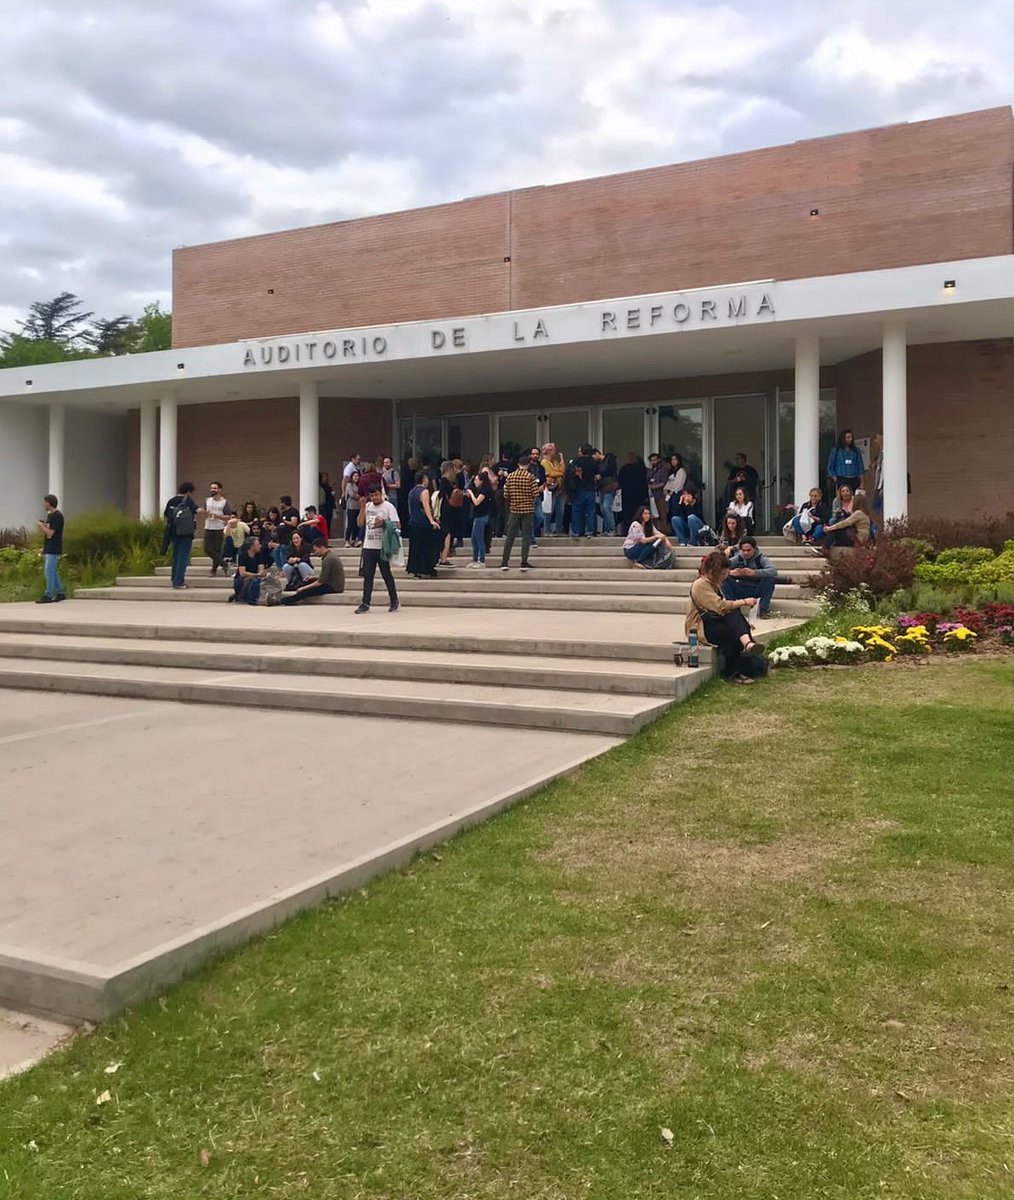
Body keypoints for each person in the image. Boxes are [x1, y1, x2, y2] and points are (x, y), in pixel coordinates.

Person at [686, 551, 766, 684]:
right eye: (722, 574)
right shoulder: (700, 585)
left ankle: (746, 651)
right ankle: (739, 662)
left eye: (725, 573)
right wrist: (744, 601)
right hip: (700, 627)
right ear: (712, 572)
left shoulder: (714, 584)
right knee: (732, 628)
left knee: (735, 623)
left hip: (713, 622)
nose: (724, 577)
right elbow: (720, 607)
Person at [355, 483, 401, 613]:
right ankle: (365, 602)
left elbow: (397, 524)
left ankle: (394, 600)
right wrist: (362, 508)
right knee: (368, 575)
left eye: (376, 494)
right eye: (372, 495)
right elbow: (359, 523)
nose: (374, 497)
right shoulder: (368, 506)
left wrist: (384, 523)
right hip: (369, 545)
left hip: (382, 546)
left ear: (381, 493)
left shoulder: (388, 506)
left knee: (386, 573)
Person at [722, 536, 778, 619]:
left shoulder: (761, 559)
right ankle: (734, 608)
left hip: (756, 589)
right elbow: (719, 568)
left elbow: (773, 571)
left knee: (770, 579)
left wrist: (754, 573)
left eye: (748, 550)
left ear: (754, 549)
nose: (746, 553)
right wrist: (730, 572)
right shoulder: (737, 559)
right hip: (740, 587)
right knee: (724, 579)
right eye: (743, 550)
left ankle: (763, 609)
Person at [500, 459, 540, 571]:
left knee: (510, 536)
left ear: (518, 464)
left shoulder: (510, 477)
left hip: (514, 509)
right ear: (527, 465)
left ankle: (504, 562)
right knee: (526, 537)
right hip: (527, 509)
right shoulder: (530, 477)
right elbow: (535, 494)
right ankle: (523, 562)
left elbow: (506, 494)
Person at [277, 541, 346, 605]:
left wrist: (304, 588)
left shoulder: (328, 559)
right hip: (332, 583)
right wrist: (313, 578)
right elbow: (326, 576)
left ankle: (283, 601)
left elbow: (320, 582)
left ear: (322, 547)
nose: (315, 552)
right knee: (307, 582)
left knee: (305, 591)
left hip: (334, 587)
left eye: (316, 550)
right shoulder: (330, 556)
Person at [161, 482, 198, 590]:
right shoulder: (188, 501)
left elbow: (166, 514)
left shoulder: (171, 501)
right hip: (185, 533)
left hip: (172, 532)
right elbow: (197, 510)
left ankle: (174, 579)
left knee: (176, 556)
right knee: (183, 557)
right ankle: (179, 582)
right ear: (188, 491)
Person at [406, 470, 440, 578]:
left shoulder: (411, 492)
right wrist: (431, 520)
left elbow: (410, 508)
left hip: (413, 522)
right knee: (427, 546)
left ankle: (415, 569)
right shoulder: (424, 491)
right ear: (424, 479)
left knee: (415, 547)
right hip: (422, 523)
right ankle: (425, 568)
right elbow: (426, 506)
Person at [816, 486, 871, 552]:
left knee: (834, 531)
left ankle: (825, 548)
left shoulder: (858, 513)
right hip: (860, 539)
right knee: (838, 532)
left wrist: (830, 528)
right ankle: (827, 547)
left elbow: (845, 523)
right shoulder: (864, 513)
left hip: (857, 540)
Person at [35, 493, 66, 603]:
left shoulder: (58, 516)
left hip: (54, 548)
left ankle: (47, 595)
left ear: (49, 503)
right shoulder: (49, 516)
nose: (43, 504)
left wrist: (40, 526)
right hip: (48, 547)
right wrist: (43, 548)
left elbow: (51, 533)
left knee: (49, 572)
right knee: (52, 571)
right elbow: (47, 535)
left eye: (44, 502)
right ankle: (60, 592)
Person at [199, 480, 231, 576]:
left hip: (219, 527)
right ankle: (224, 564)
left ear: (220, 490)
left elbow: (228, 516)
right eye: (212, 488)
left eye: (215, 488)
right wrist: (204, 512)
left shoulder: (224, 502)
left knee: (217, 550)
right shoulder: (207, 500)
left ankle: (214, 570)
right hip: (208, 527)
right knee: (207, 549)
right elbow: (201, 510)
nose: (213, 490)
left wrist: (218, 516)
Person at [569, 444, 598, 539]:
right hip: (590, 489)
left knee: (576, 510)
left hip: (579, 489)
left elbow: (570, 473)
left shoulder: (576, 461)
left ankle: (576, 532)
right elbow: (597, 475)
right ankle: (589, 531)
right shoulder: (593, 462)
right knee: (590, 511)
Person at [465, 470, 493, 566]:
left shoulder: (485, 490)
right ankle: (474, 559)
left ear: (481, 481)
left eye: (476, 480)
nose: (475, 482)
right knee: (474, 539)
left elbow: (477, 502)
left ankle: (482, 560)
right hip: (477, 516)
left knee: (479, 539)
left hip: (482, 516)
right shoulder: (479, 489)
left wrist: (471, 494)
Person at [228, 537, 266, 605]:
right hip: (241, 581)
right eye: (257, 545)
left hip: (255, 578)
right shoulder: (242, 555)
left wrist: (259, 574)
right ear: (251, 547)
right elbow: (242, 573)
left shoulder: (259, 555)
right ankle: (251, 599)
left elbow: (261, 571)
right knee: (253, 580)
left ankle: (243, 596)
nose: (260, 546)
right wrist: (257, 574)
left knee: (256, 580)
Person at [617, 453, 648, 535]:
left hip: (627, 495)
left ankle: (627, 531)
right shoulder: (641, 469)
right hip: (639, 496)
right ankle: (639, 531)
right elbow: (645, 483)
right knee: (638, 514)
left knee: (627, 514)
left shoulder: (624, 469)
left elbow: (620, 481)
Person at [827, 430, 865, 496]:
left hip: (854, 478)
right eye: (848, 437)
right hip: (841, 478)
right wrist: (834, 477)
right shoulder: (836, 450)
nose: (850, 439)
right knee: (842, 498)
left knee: (854, 499)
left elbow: (860, 467)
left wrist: (861, 483)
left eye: (851, 437)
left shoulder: (856, 450)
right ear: (843, 438)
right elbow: (830, 466)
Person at [540, 443, 566, 535]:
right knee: (548, 510)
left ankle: (558, 530)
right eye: (553, 450)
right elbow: (550, 473)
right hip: (551, 489)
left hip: (559, 488)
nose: (555, 451)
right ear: (549, 451)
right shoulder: (543, 462)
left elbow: (562, 470)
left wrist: (562, 460)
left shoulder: (555, 462)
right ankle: (547, 530)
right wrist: (559, 473)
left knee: (560, 511)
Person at [525, 448, 546, 544]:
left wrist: (543, 485)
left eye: (537, 454)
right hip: (528, 495)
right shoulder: (527, 467)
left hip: (538, 496)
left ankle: (529, 532)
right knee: (530, 517)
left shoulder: (541, 467)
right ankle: (531, 539)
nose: (535, 456)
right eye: (533, 454)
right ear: (530, 455)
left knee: (540, 517)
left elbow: (544, 480)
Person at [596, 450, 618, 535]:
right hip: (602, 487)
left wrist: (601, 475)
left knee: (606, 507)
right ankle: (607, 529)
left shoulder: (609, 459)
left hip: (609, 487)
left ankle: (611, 529)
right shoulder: (599, 463)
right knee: (603, 509)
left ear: (597, 453)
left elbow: (609, 470)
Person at [647, 452, 670, 528]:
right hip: (651, 496)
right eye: (652, 460)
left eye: (655, 460)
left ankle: (664, 531)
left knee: (662, 514)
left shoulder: (663, 469)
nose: (653, 462)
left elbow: (664, 482)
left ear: (659, 460)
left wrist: (654, 486)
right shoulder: (650, 471)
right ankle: (655, 531)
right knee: (653, 515)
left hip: (660, 495)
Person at [343, 473, 361, 546]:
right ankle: (347, 540)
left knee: (356, 524)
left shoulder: (360, 485)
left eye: (358, 476)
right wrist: (359, 496)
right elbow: (351, 494)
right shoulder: (349, 484)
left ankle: (354, 539)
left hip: (359, 507)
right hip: (351, 507)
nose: (356, 478)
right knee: (350, 524)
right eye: (355, 476)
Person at [319, 471, 336, 535]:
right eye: (325, 477)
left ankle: (328, 533)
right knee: (324, 521)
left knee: (328, 521)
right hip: (324, 506)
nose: (327, 479)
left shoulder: (328, 487)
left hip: (329, 506)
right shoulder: (321, 487)